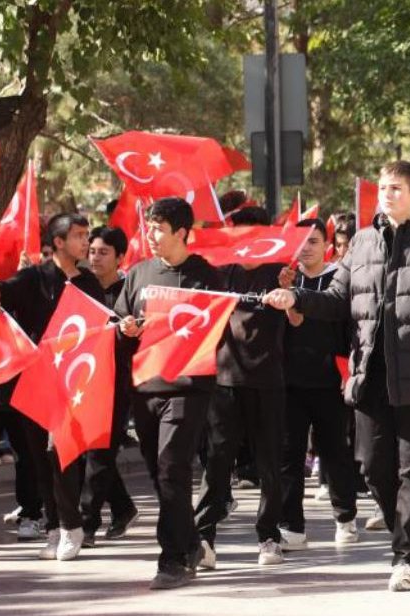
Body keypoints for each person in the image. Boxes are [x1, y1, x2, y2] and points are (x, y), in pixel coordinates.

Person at [263, 161, 410, 591]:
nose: (388, 194)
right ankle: (401, 527)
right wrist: (296, 297)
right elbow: (336, 298)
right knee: (371, 466)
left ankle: (407, 558)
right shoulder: (362, 243)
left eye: (397, 188)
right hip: (371, 375)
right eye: (384, 187)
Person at [115, 197, 225, 590]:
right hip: (146, 388)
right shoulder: (139, 274)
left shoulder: (206, 278)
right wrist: (125, 327)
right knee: (160, 474)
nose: (151, 235)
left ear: (182, 233)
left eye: (159, 228)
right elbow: (119, 321)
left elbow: (219, 332)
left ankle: (173, 559)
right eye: (149, 227)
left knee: (171, 469)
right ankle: (191, 542)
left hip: (188, 388)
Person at [0, 213, 107, 562]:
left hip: (76, 383)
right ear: (57, 242)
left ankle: (72, 525)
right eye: (77, 236)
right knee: (39, 458)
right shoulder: (33, 278)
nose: (85, 242)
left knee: (59, 453)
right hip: (36, 381)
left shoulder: (89, 282)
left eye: (86, 235)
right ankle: (55, 526)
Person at [193, 206, 290, 568]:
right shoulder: (220, 274)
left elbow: (296, 317)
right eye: (240, 233)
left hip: (268, 381)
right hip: (224, 380)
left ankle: (269, 537)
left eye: (254, 233)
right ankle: (203, 537)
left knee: (269, 463)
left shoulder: (280, 274)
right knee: (217, 462)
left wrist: (288, 293)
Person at [276, 218, 360, 549]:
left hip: (330, 381)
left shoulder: (339, 279)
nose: (306, 247)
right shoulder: (285, 279)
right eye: (301, 241)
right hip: (290, 383)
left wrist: (349, 373)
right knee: (289, 455)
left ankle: (345, 518)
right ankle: (291, 527)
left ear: (326, 244)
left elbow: (349, 328)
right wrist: (287, 295)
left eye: (313, 241)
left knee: (334, 452)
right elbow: (292, 323)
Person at [78, 226, 139, 547]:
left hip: (118, 384)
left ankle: (86, 523)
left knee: (100, 451)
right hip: (83, 381)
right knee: (90, 450)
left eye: (103, 252)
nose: (95, 258)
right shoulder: (79, 288)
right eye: (92, 251)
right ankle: (123, 507)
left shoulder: (130, 291)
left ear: (119, 257)